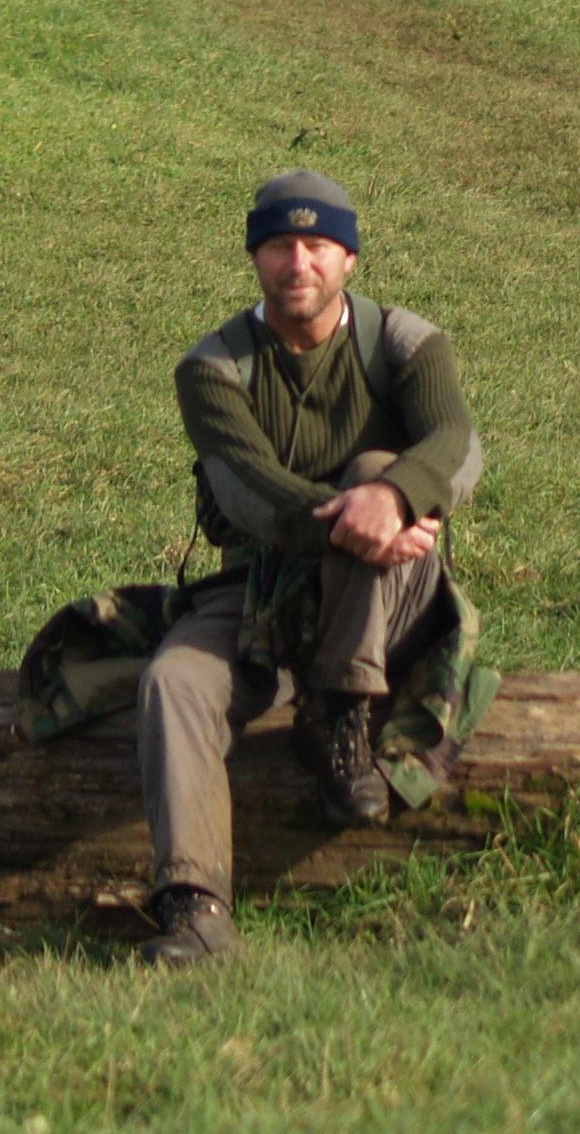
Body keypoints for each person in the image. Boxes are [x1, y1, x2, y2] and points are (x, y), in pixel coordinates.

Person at [133, 169, 482, 967]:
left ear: (349, 259)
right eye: (281, 246)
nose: (300, 263)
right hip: (267, 594)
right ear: (255, 258)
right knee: (172, 683)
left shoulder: (404, 343)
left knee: (372, 471)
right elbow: (249, 486)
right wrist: (357, 526)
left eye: (319, 245)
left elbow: (456, 443)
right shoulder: (213, 369)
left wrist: (392, 499)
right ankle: (196, 906)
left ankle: (341, 712)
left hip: (398, 597)